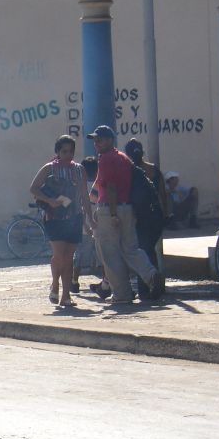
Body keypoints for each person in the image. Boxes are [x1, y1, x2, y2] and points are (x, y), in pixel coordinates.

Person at [88, 125, 165, 304]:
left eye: (99, 140)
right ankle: (152, 275)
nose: (96, 144)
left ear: (109, 140)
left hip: (109, 210)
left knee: (109, 253)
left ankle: (122, 294)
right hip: (128, 208)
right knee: (130, 249)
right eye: (95, 140)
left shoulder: (106, 159)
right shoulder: (123, 158)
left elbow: (111, 188)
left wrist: (113, 214)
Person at [29, 135, 93, 307]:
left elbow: (84, 196)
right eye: (64, 151)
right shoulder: (49, 169)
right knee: (59, 254)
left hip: (74, 217)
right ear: (58, 152)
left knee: (69, 256)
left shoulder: (79, 169)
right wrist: (50, 201)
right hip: (54, 218)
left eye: (71, 151)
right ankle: (55, 283)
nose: (68, 155)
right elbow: (33, 188)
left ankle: (66, 295)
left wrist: (90, 219)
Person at [124, 138, 166, 298]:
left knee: (142, 250)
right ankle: (155, 284)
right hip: (155, 215)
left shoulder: (129, 170)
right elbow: (163, 194)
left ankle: (147, 286)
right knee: (149, 250)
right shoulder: (153, 170)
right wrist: (166, 214)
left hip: (139, 216)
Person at [72, 156, 101, 294]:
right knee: (101, 255)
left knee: (79, 255)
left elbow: (80, 209)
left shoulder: (80, 186)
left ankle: (74, 281)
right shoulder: (98, 185)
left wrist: (83, 225)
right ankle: (105, 282)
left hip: (84, 227)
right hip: (96, 226)